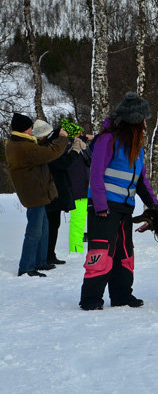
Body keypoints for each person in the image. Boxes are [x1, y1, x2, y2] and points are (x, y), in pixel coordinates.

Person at [79, 93, 158, 310]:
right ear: (134, 120)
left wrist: (155, 207)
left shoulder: (137, 147)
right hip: (104, 207)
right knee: (102, 252)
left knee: (125, 253)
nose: (145, 123)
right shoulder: (107, 139)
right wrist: (100, 204)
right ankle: (91, 298)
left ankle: (122, 295)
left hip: (125, 207)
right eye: (143, 119)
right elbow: (95, 174)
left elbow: (141, 181)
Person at [5, 112, 69, 277]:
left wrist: (53, 135)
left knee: (44, 228)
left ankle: (40, 261)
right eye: (31, 127)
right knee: (34, 231)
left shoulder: (21, 142)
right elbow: (49, 153)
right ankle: (26, 266)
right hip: (34, 193)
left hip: (37, 191)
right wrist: (62, 139)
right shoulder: (23, 147)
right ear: (25, 129)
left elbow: (40, 149)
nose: (33, 130)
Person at [40, 120, 89, 265]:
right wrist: (74, 150)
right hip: (54, 191)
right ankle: (46, 255)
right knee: (51, 224)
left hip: (59, 190)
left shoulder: (51, 146)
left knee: (54, 224)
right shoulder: (50, 149)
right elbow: (64, 163)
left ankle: (49, 254)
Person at [66, 130, 93, 254]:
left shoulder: (83, 149)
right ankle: (75, 248)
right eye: (79, 134)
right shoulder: (71, 148)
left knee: (84, 219)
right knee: (78, 221)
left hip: (87, 189)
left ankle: (78, 246)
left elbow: (91, 161)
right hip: (78, 190)